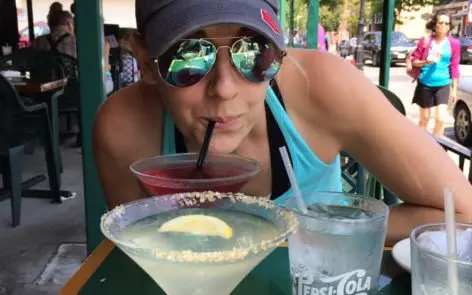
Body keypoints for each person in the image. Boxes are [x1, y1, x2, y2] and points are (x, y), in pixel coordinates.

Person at [93, 0, 472, 246]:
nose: (224, 89)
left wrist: (284, 232)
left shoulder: (324, 86)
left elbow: (463, 213)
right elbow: (136, 250)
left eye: (254, 51)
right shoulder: (124, 129)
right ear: (145, 60)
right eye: (189, 54)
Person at [410, 12, 460, 137]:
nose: (443, 25)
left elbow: (454, 67)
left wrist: (454, 90)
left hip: (443, 84)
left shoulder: (454, 44)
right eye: (440, 22)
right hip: (425, 84)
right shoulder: (426, 41)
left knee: (441, 119)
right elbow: (414, 62)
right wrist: (426, 61)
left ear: (449, 26)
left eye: (446, 23)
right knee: (424, 119)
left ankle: (436, 148)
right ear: (434, 25)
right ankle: (420, 147)